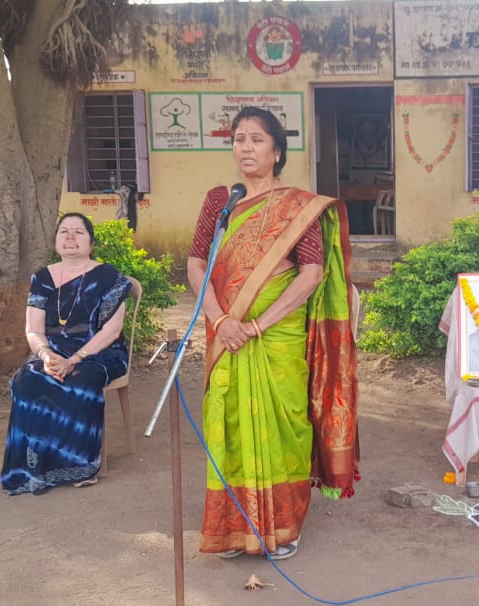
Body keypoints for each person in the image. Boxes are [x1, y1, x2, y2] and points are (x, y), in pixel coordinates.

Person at [188, 106, 359, 560]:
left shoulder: (299, 207)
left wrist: (256, 325)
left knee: (285, 428)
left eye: (256, 139)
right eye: (238, 139)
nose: (245, 147)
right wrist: (221, 321)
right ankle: (231, 528)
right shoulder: (220, 201)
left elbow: (311, 273)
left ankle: (283, 528)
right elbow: (196, 263)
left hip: (276, 338)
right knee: (228, 423)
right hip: (224, 336)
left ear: (277, 151)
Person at [0, 213, 133, 495]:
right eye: (64, 232)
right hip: (53, 351)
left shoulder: (109, 277)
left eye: (78, 232)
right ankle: (35, 467)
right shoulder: (42, 278)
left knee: (81, 378)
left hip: (99, 351)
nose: (70, 237)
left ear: (91, 243)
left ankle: (77, 465)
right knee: (29, 378)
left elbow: (112, 331)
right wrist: (46, 355)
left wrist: (74, 360)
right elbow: (33, 330)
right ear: (56, 241)